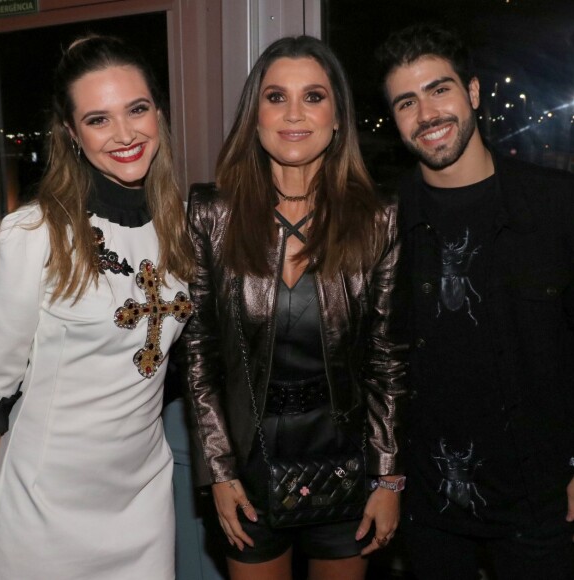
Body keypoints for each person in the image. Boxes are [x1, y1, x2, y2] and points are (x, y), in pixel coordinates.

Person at [181, 35, 408, 580]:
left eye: (313, 96)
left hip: (346, 465)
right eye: (276, 97)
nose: (294, 114)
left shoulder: (378, 219)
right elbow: (198, 354)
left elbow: (387, 360)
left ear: (337, 117)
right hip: (248, 467)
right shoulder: (211, 215)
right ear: (254, 116)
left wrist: (388, 478)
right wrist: (219, 470)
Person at [377, 22, 574, 580]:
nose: (427, 114)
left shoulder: (556, 204)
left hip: (539, 501)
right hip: (429, 509)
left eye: (439, 89)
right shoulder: (383, 222)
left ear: (473, 92)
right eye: (406, 102)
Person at [0, 35, 194, 579]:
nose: (126, 134)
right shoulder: (34, 235)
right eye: (99, 119)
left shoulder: (182, 224)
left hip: (143, 499)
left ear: (159, 111)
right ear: (71, 133)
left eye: (137, 109)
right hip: (46, 507)